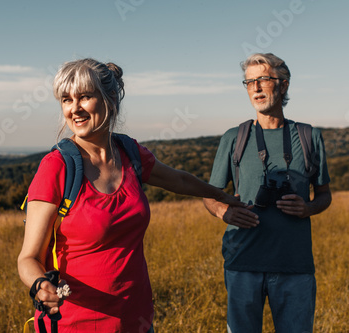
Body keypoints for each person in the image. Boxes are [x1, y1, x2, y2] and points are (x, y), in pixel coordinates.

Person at [17, 58, 243, 333]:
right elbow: (28, 259)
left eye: (85, 97)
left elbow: (180, 180)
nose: (74, 109)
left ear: (110, 98)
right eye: (66, 100)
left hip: (137, 320)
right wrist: (41, 286)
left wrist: (222, 196)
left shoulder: (129, 154)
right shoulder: (56, 167)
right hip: (76, 324)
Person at [203, 53, 332, 333]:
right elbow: (210, 194)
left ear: (283, 85)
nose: (256, 88)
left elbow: (324, 194)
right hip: (242, 263)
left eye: (263, 79)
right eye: (249, 82)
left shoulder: (309, 137)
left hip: (294, 266)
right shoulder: (233, 138)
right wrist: (224, 211)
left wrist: (308, 208)